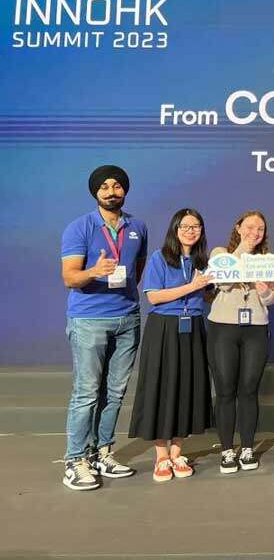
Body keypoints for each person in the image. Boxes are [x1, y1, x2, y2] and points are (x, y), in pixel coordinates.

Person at [60, 165, 147, 491]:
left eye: (117, 186)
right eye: (105, 187)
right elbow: (70, 277)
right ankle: (75, 460)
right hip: (89, 320)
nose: (112, 192)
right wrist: (94, 271)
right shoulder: (79, 228)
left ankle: (102, 453)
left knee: (115, 392)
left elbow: (137, 271)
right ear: (96, 192)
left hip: (128, 318)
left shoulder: (138, 226)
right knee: (87, 392)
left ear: (125, 190)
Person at [129, 209, 213, 482]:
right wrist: (193, 286)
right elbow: (154, 297)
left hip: (193, 327)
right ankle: (161, 456)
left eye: (196, 226)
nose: (191, 231)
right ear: (175, 230)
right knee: (161, 387)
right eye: (185, 226)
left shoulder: (203, 261)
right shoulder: (160, 257)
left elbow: (207, 295)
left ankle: (177, 452)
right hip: (164, 328)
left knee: (188, 387)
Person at [208, 211, 274, 474]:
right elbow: (223, 282)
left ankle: (247, 447)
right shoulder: (221, 253)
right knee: (225, 390)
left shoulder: (269, 260)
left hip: (256, 328)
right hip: (223, 328)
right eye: (249, 227)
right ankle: (227, 450)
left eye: (260, 229)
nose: (254, 233)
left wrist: (265, 292)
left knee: (249, 390)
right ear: (238, 228)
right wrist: (243, 251)